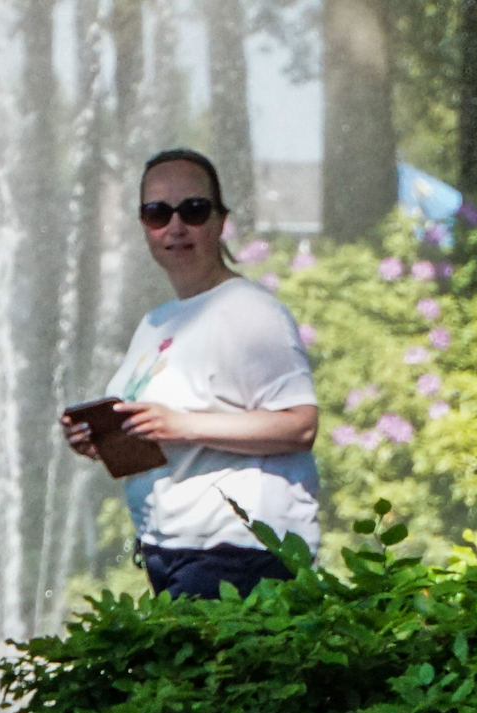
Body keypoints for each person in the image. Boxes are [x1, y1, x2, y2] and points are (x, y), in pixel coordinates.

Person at [60, 148, 321, 600]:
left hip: (240, 551)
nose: (175, 226)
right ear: (144, 225)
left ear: (221, 221)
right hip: (170, 548)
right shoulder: (157, 322)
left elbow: (301, 425)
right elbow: (157, 438)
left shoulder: (251, 312)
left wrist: (179, 424)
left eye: (194, 210)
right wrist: (100, 440)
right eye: (158, 213)